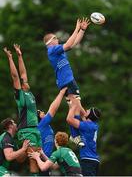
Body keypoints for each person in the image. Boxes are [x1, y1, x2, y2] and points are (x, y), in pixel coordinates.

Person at [43, 18, 90, 145]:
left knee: (78, 108)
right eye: (55, 38)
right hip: (66, 81)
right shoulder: (52, 50)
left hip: (70, 80)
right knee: (75, 106)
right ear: (50, 41)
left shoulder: (58, 50)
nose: (58, 39)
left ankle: (80, 132)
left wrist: (82, 30)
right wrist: (76, 28)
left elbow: (73, 43)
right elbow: (69, 44)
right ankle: (75, 135)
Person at [3, 44, 42, 175]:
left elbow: (23, 73)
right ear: (22, 85)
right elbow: (15, 76)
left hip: (35, 129)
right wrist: (10, 58)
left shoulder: (29, 93)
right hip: (27, 129)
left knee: (32, 157)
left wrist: (20, 56)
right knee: (33, 159)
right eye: (24, 81)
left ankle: (18, 152)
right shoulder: (21, 95)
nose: (26, 81)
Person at [66, 99, 101, 176]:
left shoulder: (87, 126)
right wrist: (76, 100)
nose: (86, 110)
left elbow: (69, 119)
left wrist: (72, 106)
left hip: (88, 160)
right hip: (93, 160)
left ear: (90, 115)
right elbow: (83, 114)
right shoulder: (93, 125)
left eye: (88, 110)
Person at [37, 87, 67, 176]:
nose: (43, 112)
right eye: (41, 112)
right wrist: (61, 93)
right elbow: (53, 109)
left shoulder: (45, 125)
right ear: (38, 117)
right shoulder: (42, 124)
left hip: (46, 158)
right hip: (42, 159)